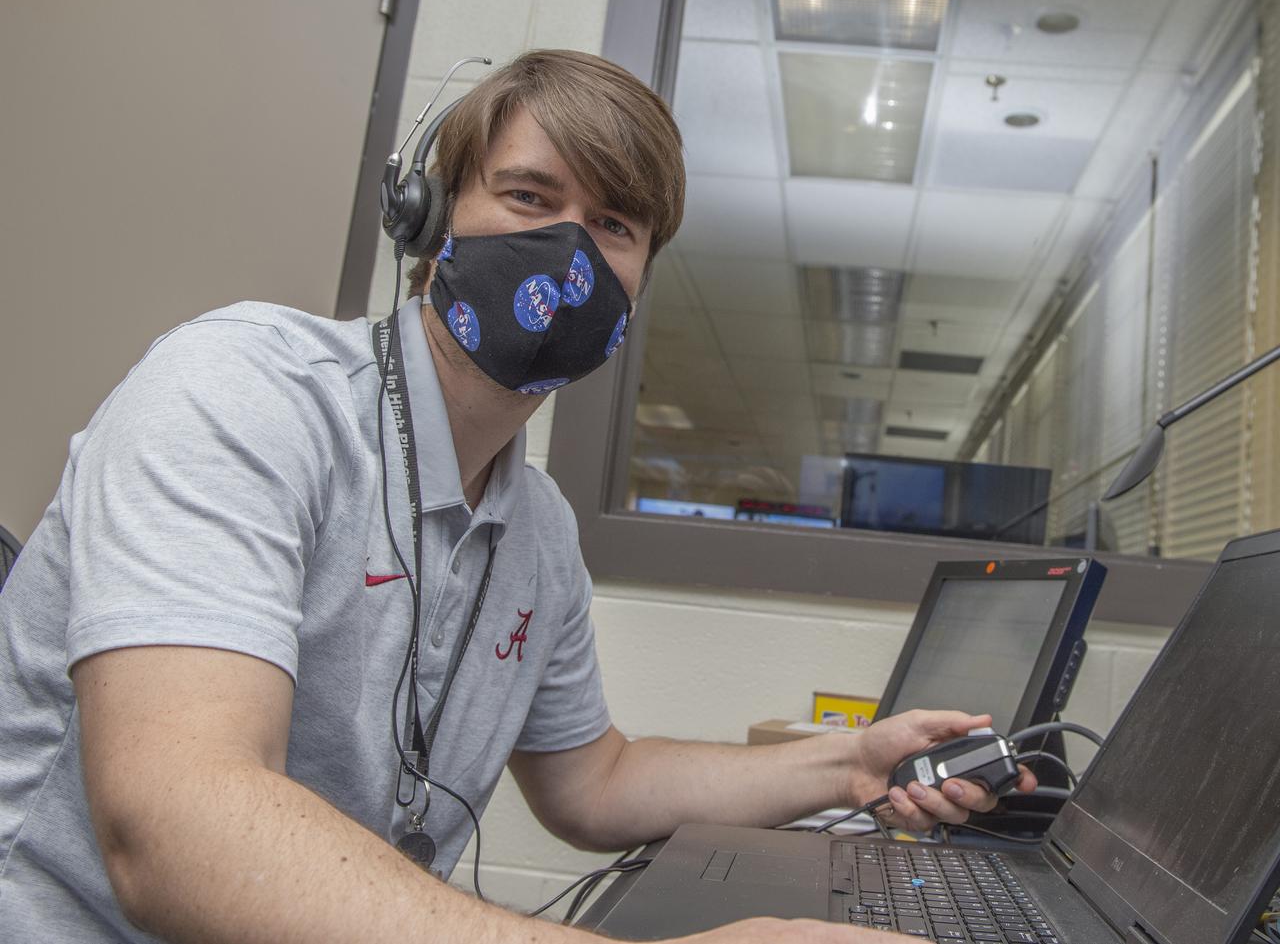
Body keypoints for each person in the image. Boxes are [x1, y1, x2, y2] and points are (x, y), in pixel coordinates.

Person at [0, 49, 1033, 943]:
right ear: (430, 215)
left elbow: (596, 781)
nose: (571, 255)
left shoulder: (534, 529)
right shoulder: (240, 392)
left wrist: (847, 762)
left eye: (614, 225)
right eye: (530, 198)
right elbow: (172, 825)